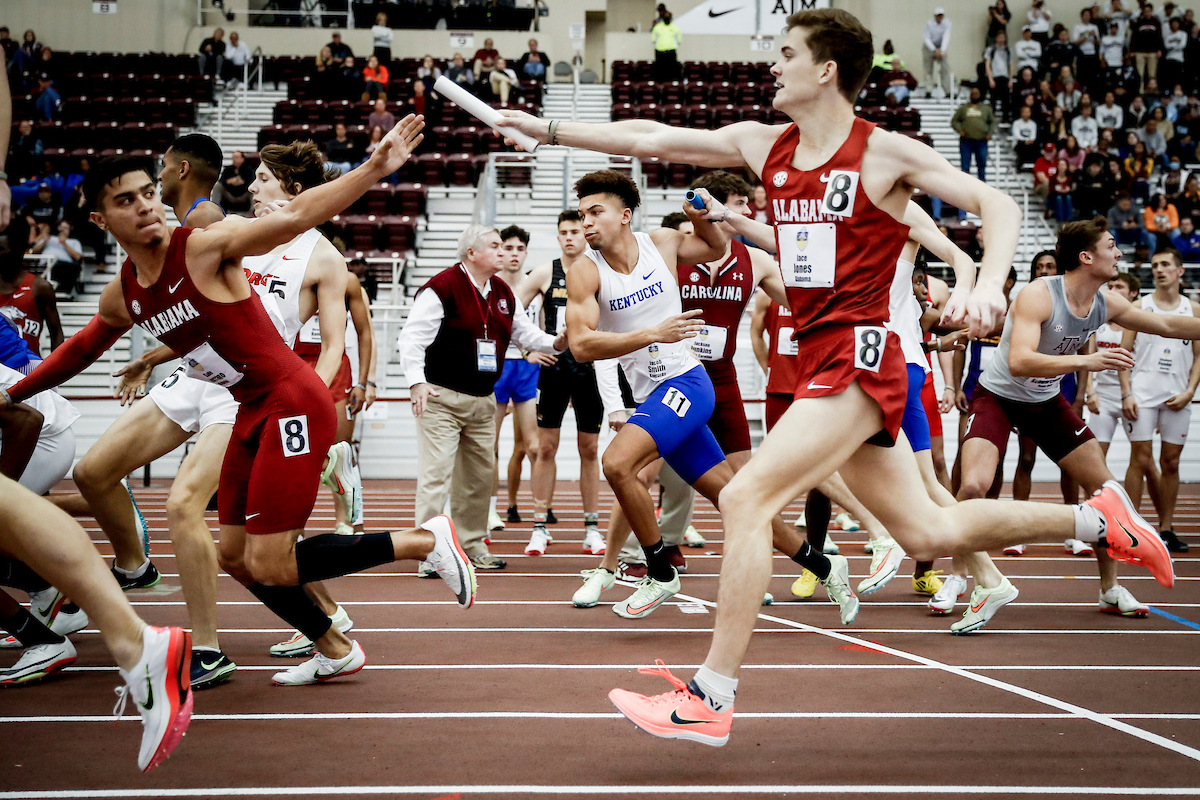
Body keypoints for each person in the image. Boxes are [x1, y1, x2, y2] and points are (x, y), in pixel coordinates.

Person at [496, 8, 1174, 744]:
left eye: (785, 53)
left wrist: (986, 281)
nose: (771, 63)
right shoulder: (763, 145)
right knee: (927, 526)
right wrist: (547, 130)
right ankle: (1098, 520)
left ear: (826, 70)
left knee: (749, 495)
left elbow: (998, 203)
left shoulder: (882, 154)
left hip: (863, 354)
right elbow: (647, 138)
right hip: (821, 353)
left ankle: (712, 696)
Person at [5, 120, 484, 686]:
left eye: (150, 193)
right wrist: (12, 394)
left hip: (291, 401)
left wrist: (376, 168)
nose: (145, 206)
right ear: (99, 219)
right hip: (247, 408)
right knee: (234, 553)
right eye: (125, 200)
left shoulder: (204, 246)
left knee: (272, 560)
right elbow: (79, 351)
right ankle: (335, 648)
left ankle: (425, 540)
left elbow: (295, 217)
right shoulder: (126, 290)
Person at [555, 171, 855, 623]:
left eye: (596, 213)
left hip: (689, 384)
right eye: (582, 216)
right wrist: (651, 333)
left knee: (617, 463)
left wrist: (703, 220)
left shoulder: (662, 243)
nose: (587, 224)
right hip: (652, 393)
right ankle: (825, 565)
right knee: (736, 498)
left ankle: (659, 569)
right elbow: (581, 345)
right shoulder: (584, 271)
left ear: (625, 215)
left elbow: (716, 248)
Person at [399, 225, 566, 573]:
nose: (503, 252)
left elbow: (524, 333)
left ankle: (472, 545)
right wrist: (416, 382)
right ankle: (428, 553)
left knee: (478, 477)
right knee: (436, 476)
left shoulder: (502, 291)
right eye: (495, 246)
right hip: (441, 397)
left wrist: (557, 342)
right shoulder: (441, 288)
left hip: (482, 398)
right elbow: (412, 338)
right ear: (471, 253)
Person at [515, 212, 605, 553]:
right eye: (563, 232)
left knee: (591, 449)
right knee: (545, 447)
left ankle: (592, 528)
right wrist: (528, 351)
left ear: (584, 234)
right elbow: (511, 313)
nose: (569, 237)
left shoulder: (600, 269)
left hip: (590, 366)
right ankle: (539, 526)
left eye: (575, 231)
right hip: (553, 364)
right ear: (557, 237)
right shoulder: (543, 272)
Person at [1119, 247, 1196, 554]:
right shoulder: (1139, 307)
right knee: (1139, 459)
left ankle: (1166, 528)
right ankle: (1131, 529)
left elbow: (1199, 357)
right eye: (1154, 265)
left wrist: (1191, 390)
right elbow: (1124, 355)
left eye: (1165, 264)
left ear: (1180, 271)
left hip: (1179, 393)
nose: (1159, 269)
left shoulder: (1194, 310)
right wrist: (1127, 392)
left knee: (1171, 462)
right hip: (1143, 393)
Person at [488, 225, 545, 534]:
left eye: (518, 249)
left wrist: (533, 352)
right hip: (496, 368)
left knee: (533, 447)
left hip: (526, 370)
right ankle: (491, 508)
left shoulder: (534, 285)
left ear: (525, 253)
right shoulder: (490, 285)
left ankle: (538, 512)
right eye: (507, 248)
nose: (513, 254)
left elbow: (540, 327)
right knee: (490, 445)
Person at [1084, 272, 1140, 459]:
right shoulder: (1099, 321)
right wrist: (1090, 391)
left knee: (1144, 459)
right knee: (1095, 458)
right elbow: (1088, 357)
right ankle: (1099, 490)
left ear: (1133, 293)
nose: (1113, 291)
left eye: (1119, 287)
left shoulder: (1141, 324)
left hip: (1135, 396)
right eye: (1111, 287)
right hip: (1104, 397)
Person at [0, 223, 63, 356]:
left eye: (1, 249)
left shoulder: (40, 287)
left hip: (28, 371)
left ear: (17, 251)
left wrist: (57, 373)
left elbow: (56, 334)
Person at [952, 86, 996, 213]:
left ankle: (982, 192)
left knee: (981, 165)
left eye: (976, 92)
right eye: (973, 92)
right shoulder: (964, 108)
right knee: (965, 167)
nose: (974, 94)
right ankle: (965, 191)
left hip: (981, 141)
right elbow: (954, 121)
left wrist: (990, 133)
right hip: (966, 142)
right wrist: (960, 130)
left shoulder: (986, 108)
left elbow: (992, 122)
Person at [30, 219, 82, 298]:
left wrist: (64, 243)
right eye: (61, 227)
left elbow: (78, 257)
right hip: (46, 264)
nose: (63, 230)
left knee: (70, 268)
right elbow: (34, 250)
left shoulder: (74, 242)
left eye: (65, 228)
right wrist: (45, 242)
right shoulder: (50, 239)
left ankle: (64, 292)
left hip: (64, 266)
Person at [1130, 3, 1164, 92]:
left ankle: (1152, 91)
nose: (1147, 13)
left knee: (1152, 74)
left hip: (1153, 52)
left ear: (1151, 12)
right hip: (1140, 52)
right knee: (1140, 74)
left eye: (1148, 11)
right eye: (1145, 12)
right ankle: (1140, 91)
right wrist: (1132, 50)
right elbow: (1134, 37)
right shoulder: (1139, 22)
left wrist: (1160, 49)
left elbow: (1159, 37)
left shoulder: (1156, 22)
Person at [923, 7, 953, 97]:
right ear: (935, 16)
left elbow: (946, 36)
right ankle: (928, 90)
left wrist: (942, 50)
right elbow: (926, 38)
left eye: (941, 15)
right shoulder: (929, 24)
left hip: (941, 46)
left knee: (945, 68)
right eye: (938, 15)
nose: (940, 17)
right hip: (929, 47)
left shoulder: (947, 23)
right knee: (928, 69)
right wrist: (934, 50)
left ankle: (948, 90)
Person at [983, 31, 1013, 120]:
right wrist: (990, 78)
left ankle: (1005, 119)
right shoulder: (991, 49)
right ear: (996, 39)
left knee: (1006, 100)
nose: (1001, 39)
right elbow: (987, 65)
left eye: (1003, 37)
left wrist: (1011, 79)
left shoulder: (1008, 50)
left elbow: (1010, 65)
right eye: (999, 37)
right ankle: (991, 118)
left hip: (1005, 77)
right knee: (993, 100)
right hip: (995, 77)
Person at [214, 150, 254, 215]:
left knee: (253, 190)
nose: (235, 160)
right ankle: (215, 209)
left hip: (243, 195)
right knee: (218, 186)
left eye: (237, 158)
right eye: (233, 158)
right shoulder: (228, 169)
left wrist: (242, 182)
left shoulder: (248, 170)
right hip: (230, 194)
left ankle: (252, 211)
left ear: (242, 159)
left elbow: (251, 182)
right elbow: (221, 181)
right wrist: (229, 181)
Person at [651, 11, 683, 82]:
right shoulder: (657, 27)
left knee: (672, 71)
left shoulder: (675, 28)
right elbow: (654, 39)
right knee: (660, 71)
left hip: (671, 52)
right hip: (660, 52)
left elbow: (679, 40)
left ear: (671, 18)